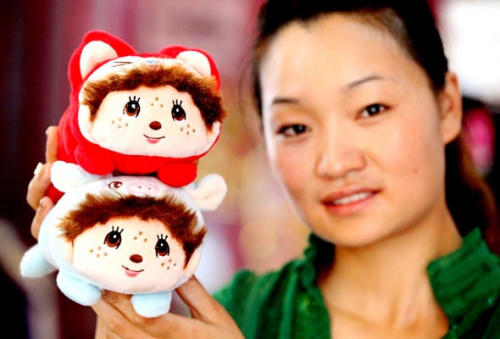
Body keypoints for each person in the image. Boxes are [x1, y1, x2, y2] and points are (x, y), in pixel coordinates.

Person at [26, 0, 500, 338]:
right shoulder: (236, 315)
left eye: (371, 109)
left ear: (448, 107)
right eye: (294, 127)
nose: (334, 162)